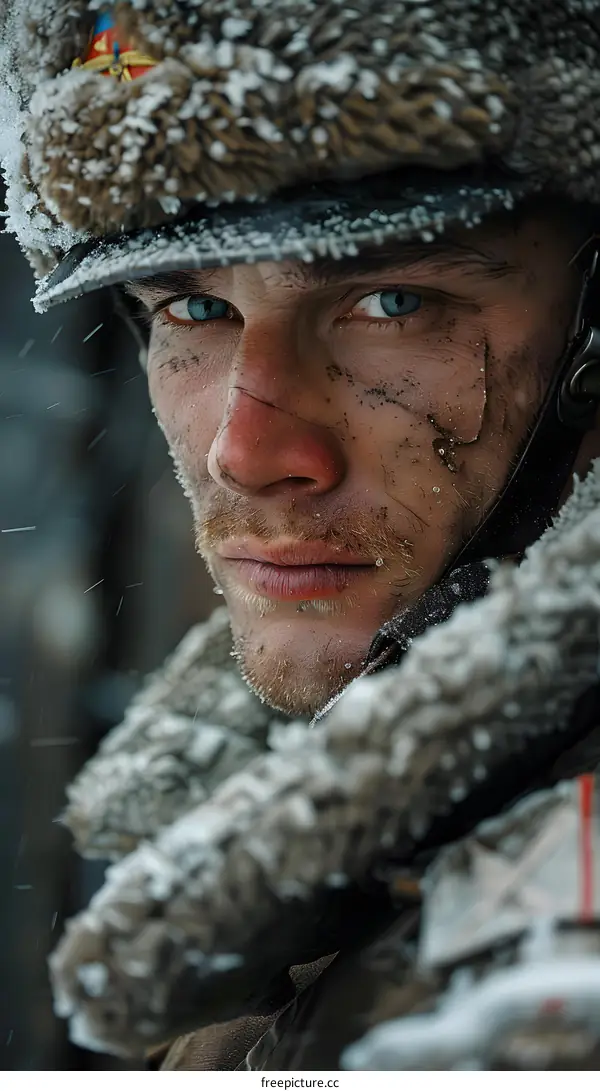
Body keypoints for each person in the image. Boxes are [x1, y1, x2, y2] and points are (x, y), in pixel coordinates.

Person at [3, 0, 600, 1071]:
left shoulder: (551, 965)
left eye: (393, 299)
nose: (246, 448)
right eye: (190, 308)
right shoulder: (265, 843)